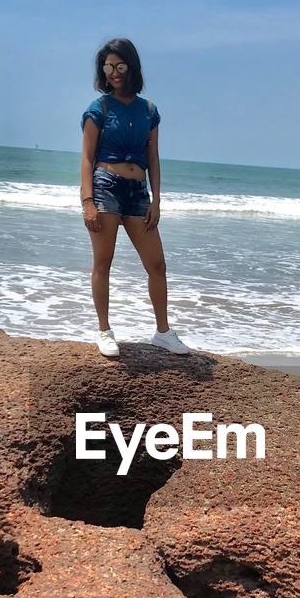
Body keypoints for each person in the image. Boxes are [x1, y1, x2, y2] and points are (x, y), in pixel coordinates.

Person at [80, 38, 189, 358]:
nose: (113, 73)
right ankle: (104, 331)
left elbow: (153, 156)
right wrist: (87, 201)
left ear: (132, 66)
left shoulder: (149, 111)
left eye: (119, 66)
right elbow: (87, 158)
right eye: (108, 67)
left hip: (138, 193)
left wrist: (156, 200)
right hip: (106, 188)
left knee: (157, 264)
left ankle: (163, 333)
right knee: (104, 262)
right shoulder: (97, 109)